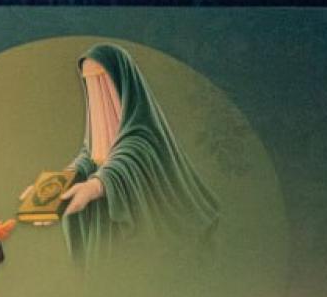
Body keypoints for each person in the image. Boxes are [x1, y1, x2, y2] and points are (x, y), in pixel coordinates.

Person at [47, 42, 220, 268]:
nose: (100, 92)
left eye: (103, 79)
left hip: (140, 234)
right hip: (104, 228)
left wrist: (96, 185)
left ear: (123, 82)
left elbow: (128, 156)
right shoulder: (97, 132)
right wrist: (55, 185)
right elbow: (89, 157)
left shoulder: (144, 132)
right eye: (91, 82)